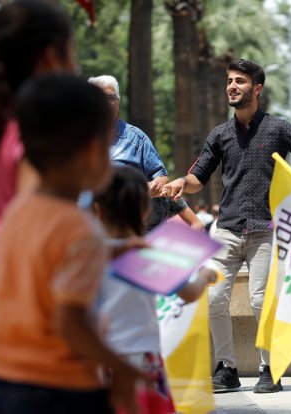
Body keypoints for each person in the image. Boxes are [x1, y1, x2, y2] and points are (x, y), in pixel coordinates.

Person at [162, 59, 291, 393]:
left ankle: (271, 368)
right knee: (213, 299)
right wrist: (181, 181)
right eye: (229, 81)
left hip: (265, 230)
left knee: (260, 301)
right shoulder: (219, 134)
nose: (232, 86)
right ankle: (227, 368)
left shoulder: (279, 128)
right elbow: (198, 177)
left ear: (257, 89)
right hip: (226, 229)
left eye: (240, 81)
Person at [0, 74, 149, 414]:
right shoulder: (79, 228)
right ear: (91, 151)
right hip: (62, 384)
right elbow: (70, 323)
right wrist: (119, 367)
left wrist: (112, 250)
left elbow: (49, 262)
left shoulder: (20, 210)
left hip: (6, 375)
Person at [0, 0, 79, 385]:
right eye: (71, 49)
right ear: (51, 55)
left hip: (7, 317)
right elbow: (40, 233)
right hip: (37, 324)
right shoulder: (33, 131)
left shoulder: (2, 124)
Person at [91, 165, 216, 414]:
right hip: (142, 358)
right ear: (146, 210)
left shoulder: (89, 254)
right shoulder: (147, 255)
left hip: (100, 359)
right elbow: (189, 293)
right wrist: (205, 275)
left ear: (97, 210)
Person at [87, 75, 168, 196]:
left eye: (110, 97)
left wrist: (149, 188)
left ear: (118, 101)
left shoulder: (137, 139)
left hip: (126, 207)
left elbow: (161, 177)